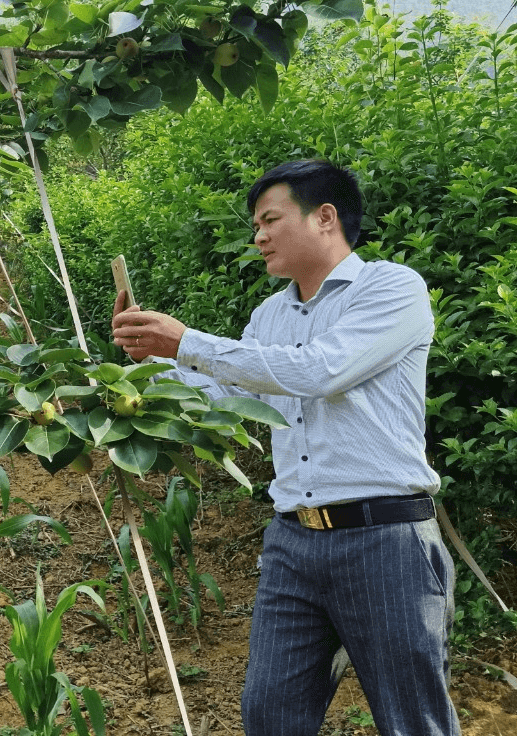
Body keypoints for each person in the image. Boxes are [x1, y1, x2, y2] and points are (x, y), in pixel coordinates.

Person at [110, 159, 459, 736]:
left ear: (325, 217)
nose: (259, 235)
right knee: (271, 716)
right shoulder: (269, 314)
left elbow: (321, 370)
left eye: (270, 219)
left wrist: (188, 340)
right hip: (293, 543)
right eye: (256, 224)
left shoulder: (393, 289)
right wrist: (154, 362)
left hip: (384, 540)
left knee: (412, 720)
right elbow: (224, 391)